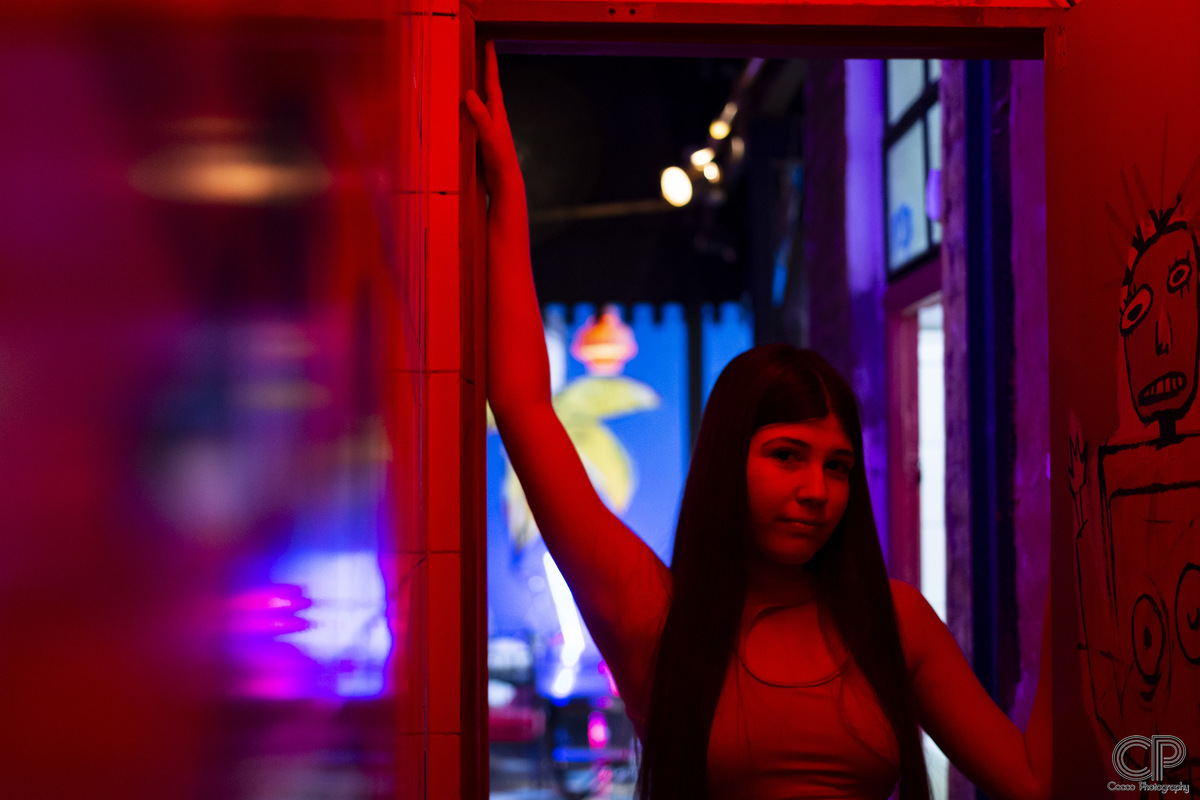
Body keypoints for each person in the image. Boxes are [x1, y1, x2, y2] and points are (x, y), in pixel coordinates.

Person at [466, 43, 1051, 800]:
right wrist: (508, 194)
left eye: (837, 466)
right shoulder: (657, 619)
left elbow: (1032, 785)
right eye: (787, 455)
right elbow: (522, 406)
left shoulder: (894, 622)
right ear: (727, 462)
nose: (817, 489)